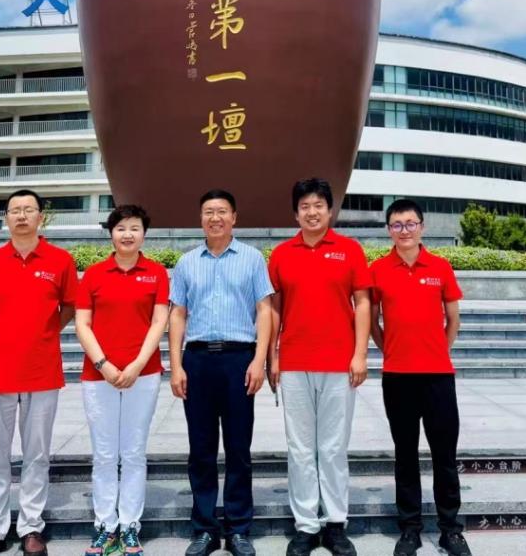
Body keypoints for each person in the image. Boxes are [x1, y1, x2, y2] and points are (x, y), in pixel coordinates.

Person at [0, 189, 77, 556]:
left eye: (29, 209)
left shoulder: (60, 261)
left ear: (41, 217)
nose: (22, 216)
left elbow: (70, 306)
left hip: (41, 370)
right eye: (15, 210)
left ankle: (31, 527)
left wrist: (45, 332)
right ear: (6, 219)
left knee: (37, 455)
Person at [267, 178, 371, 556]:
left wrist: (360, 354)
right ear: (296, 213)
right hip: (295, 363)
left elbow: (363, 303)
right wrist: (273, 356)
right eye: (305, 206)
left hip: (339, 363)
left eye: (318, 205)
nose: (312, 212)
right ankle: (307, 526)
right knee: (299, 448)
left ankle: (336, 523)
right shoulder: (282, 254)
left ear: (330, 210)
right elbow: (274, 308)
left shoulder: (349, 250)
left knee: (332, 447)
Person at [168, 189, 274, 556]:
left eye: (222, 212)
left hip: (238, 360)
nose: (215, 218)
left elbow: (264, 310)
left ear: (234, 218)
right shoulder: (186, 262)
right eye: (209, 212)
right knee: (201, 449)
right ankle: (205, 529)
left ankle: (239, 528)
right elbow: (177, 314)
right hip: (197, 360)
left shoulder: (252, 259)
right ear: (201, 219)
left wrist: (259, 360)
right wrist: (176, 365)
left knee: (238, 447)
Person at [369, 199, 470, 556]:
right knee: (405, 454)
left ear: (422, 227)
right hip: (397, 377)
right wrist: (390, 350)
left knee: (444, 455)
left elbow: (453, 319)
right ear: (389, 230)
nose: (405, 230)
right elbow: (372, 321)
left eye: (410, 223)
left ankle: (450, 530)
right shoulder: (378, 270)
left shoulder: (440, 267)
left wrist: (438, 350)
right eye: (397, 225)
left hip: (438, 377)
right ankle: (409, 529)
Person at [75, 204, 170, 556]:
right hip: (97, 375)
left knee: (132, 452)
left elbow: (159, 322)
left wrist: (137, 365)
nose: (127, 234)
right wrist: (103, 364)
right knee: (103, 453)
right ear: (111, 234)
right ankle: (105, 525)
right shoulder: (94, 274)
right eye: (121, 228)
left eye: (134, 228)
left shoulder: (156, 273)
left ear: (144, 234)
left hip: (142, 375)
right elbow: (82, 324)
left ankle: (130, 525)